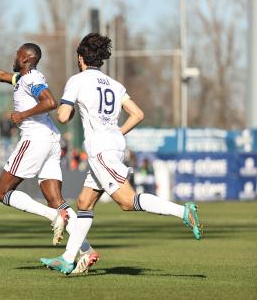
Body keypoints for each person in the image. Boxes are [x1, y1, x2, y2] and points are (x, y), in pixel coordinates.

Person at [40, 33, 203, 275]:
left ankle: (183, 211)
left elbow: (63, 116)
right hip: (113, 143)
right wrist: (116, 132)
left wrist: (66, 110)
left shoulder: (77, 80)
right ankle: (67, 257)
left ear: (80, 58)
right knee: (84, 203)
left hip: (100, 149)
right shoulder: (114, 85)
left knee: (127, 202)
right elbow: (137, 114)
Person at [0, 43, 97, 270]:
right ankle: (87, 250)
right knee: (57, 200)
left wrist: (21, 115)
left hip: (35, 140)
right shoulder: (23, 78)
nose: (14, 57)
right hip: (50, 140)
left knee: (3, 192)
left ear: (26, 58)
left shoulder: (31, 79)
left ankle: (52, 216)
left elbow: (50, 102)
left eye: (17, 55)